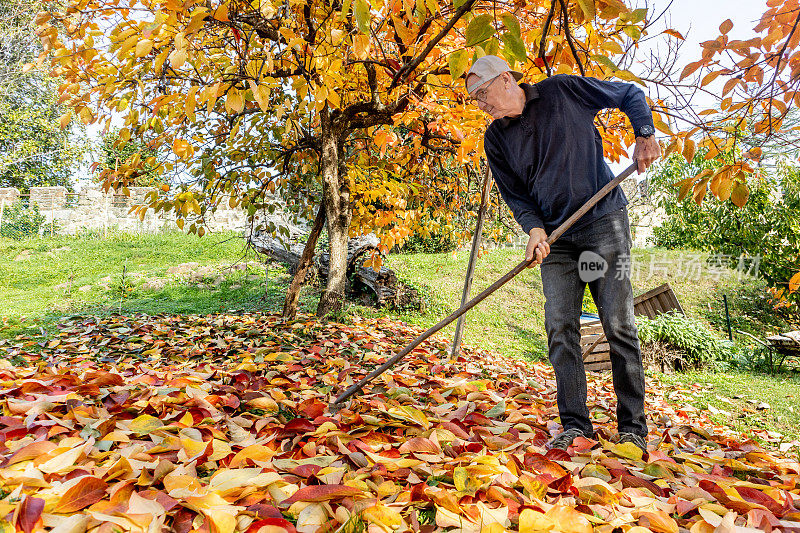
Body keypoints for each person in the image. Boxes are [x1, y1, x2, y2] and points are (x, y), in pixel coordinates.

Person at [465, 55, 660, 452]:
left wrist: (644, 133)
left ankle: (633, 428)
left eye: (483, 94)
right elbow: (515, 194)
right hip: (556, 238)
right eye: (475, 100)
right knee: (560, 327)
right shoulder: (495, 139)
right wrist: (535, 230)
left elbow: (628, 93)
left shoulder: (563, 90)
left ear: (505, 80)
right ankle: (576, 425)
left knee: (618, 323)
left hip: (603, 220)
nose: (481, 105)